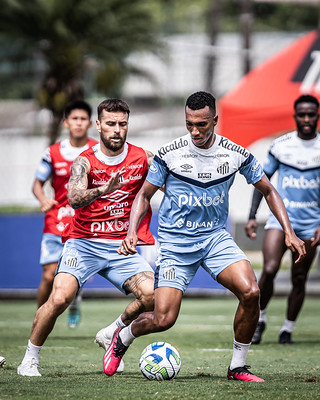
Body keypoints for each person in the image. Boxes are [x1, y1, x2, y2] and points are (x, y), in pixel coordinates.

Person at [103, 91, 306, 382]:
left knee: (251, 292)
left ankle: (237, 367)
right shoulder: (170, 154)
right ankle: (122, 337)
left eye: (202, 124)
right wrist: (132, 230)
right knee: (164, 319)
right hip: (176, 244)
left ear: (215, 120)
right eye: (189, 124)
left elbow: (269, 190)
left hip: (214, 239)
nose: (195, 131)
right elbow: (144, 195)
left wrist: (289, 232)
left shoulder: (235, 153)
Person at [17, 98, 155, 377]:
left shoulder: (143, 157)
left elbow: (172, 173)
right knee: (58, 298)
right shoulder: (85, 161)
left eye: (122, 124)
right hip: (83, 243)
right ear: (98, 125)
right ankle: (29, 359)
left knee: (154, 297)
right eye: (111, 124)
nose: (117, 130)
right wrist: (103, 188)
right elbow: (74, 198)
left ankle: (112, 332)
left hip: (120, 248)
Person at [245, 94, 320, 345]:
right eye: (302, 114)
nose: (307, 119)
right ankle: (261, 319)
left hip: (311, 223)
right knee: (269, 268)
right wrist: (252, 215)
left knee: (299, 277)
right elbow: (262, 183)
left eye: (312, 114)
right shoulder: (281, 145)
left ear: (317, 115)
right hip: (281, 219)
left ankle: (287, 329)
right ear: (295, 116)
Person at [32, 100, 97, 328]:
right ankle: (40, 319)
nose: (78, 123)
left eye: (82, 119)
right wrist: (43, 199)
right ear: (66, 122)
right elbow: (37, 184)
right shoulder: (52, 153)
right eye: (74, 119)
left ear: (90, 123)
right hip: (56, 219)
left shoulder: (97, 151)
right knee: (49, 275)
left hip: (85, 222)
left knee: (75, 274)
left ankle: (75, 301)